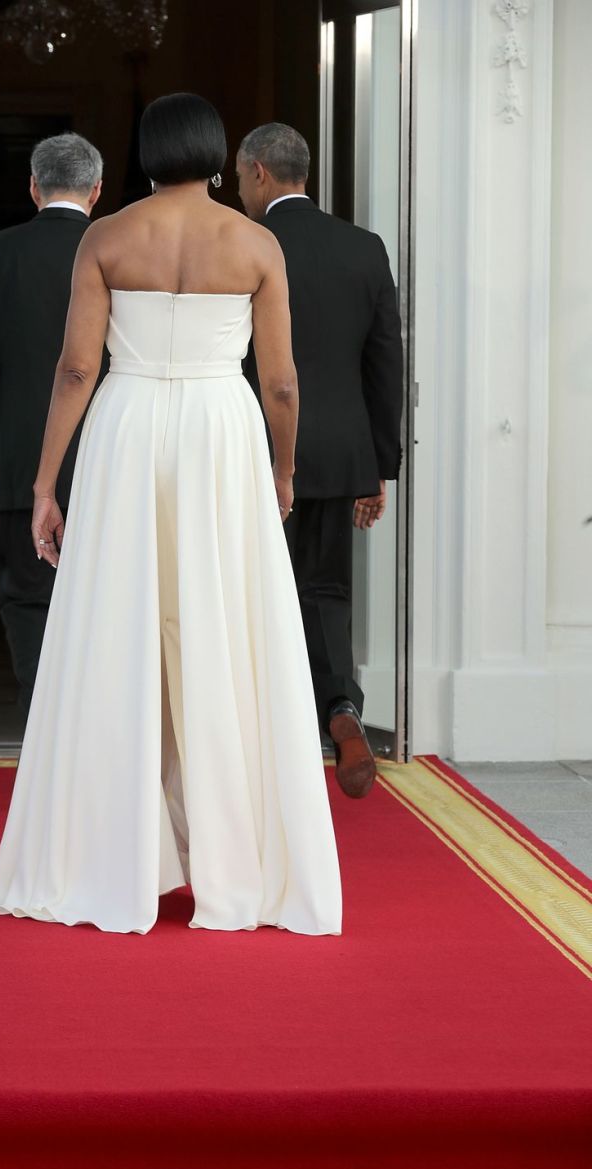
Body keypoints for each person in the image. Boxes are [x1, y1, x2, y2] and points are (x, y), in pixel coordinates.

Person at [0, 93, 342, 936]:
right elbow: (282, 381)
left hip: (129, 427)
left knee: (119, 625)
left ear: (140, 156)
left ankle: (109, 856)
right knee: (225, 626)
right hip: (222, 432)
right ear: (219, 156)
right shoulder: (256, 243)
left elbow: (75, 370)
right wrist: (283, 469)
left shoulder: (104, 237)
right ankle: (236, 861)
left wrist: (43, 483)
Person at [237, 123, 403, 799]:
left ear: (259, 175)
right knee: (326, 590)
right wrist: (379, 468)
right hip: (339, 453)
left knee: (252, 590)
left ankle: (261, 731)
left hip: (254, 444)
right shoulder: (364, 248)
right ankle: (340, 709)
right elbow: (384, 362)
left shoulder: (245, 246)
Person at [0, 133, 105, 714]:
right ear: (97, 190)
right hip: (109, 457)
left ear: (33, 187)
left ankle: (41, 732)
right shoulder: (123, 251)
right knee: (108, 603)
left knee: (26, 601)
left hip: (21, 462)